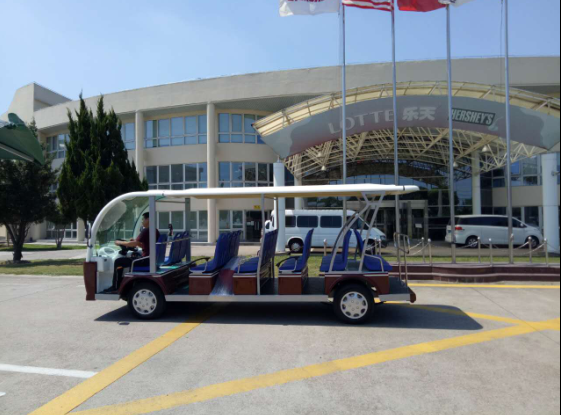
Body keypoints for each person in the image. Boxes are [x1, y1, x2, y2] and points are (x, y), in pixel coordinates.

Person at [108, 212, 161, 291]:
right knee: (128, 259)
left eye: (143, 219)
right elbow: (145, 245)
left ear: (148, 219)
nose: (142, 221)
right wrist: (136, 243)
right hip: (150, 259)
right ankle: (122, 284)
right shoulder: (155, 230)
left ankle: (115, 287)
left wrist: (119, 242)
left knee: (118, 261)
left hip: (145, 260)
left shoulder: (146, 230)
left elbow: (133, 244)